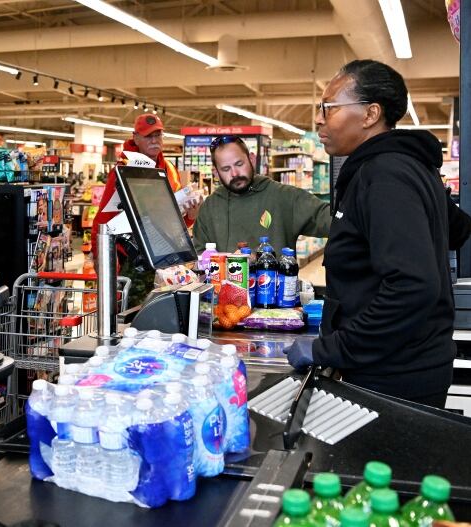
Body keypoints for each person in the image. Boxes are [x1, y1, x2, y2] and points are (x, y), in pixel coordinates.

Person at [284, 59, 471, 408]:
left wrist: (331, 348)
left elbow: (413, 285)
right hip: (405, 363)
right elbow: (457, 228)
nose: (319, 119)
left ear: (370, 114)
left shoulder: (385, 176)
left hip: (394, 375)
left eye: (329, 107)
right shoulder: (406, 166)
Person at [92, 113, 202, 305]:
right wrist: (102, 263)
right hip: (136, 261)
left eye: (158, 135)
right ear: (135, 138)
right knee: (134, 320)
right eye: (148, 136)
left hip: (167, 259)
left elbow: (173, 219)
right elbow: (103, 220)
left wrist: (190, 216)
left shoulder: (169, 169)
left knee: (167, 316)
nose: (154, 141)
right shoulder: (123, 170)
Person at [192, 135, 331, 253]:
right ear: (216, 173)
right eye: (226, 169)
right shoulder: (210, 207)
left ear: (252, 159)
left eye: (239, 164)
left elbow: (332, 221)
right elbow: (199, 257)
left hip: (274, 284)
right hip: (224, 285)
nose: (235, 174)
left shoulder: (284, 196)